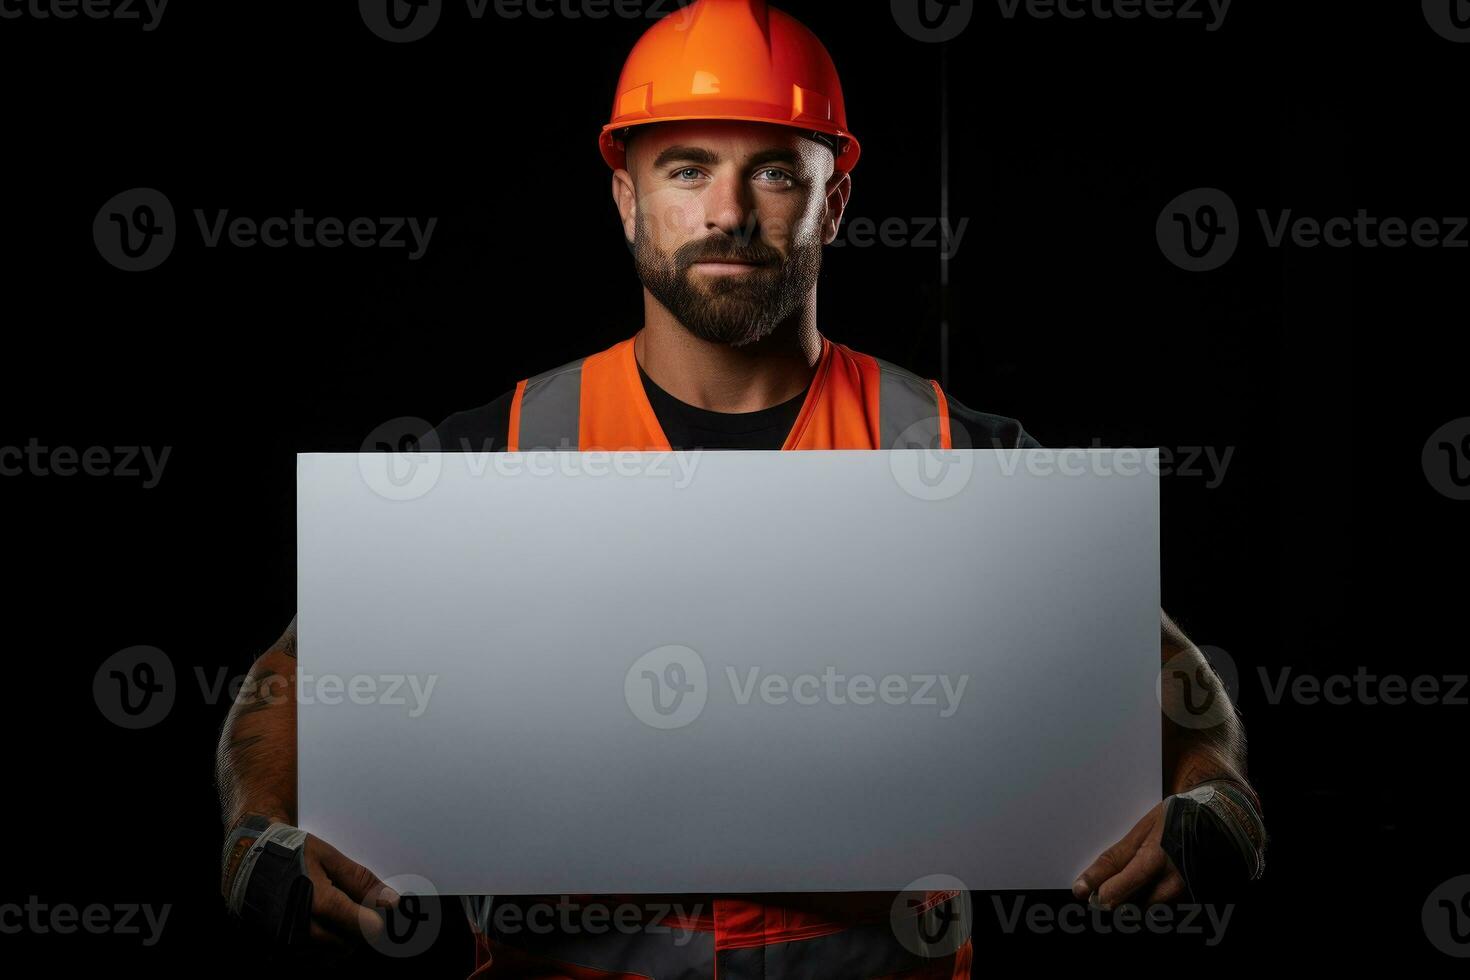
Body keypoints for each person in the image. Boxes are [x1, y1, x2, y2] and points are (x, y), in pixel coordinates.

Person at [216, 2, 1266, 976]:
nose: (727, 210)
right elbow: (301, 670)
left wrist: (1220, 796)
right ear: (627, 196)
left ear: (834, 200)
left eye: (773, 172)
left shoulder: (958, 455)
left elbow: (1166, 672)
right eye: (685, 169)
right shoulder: (492, 453)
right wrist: (254, 826)